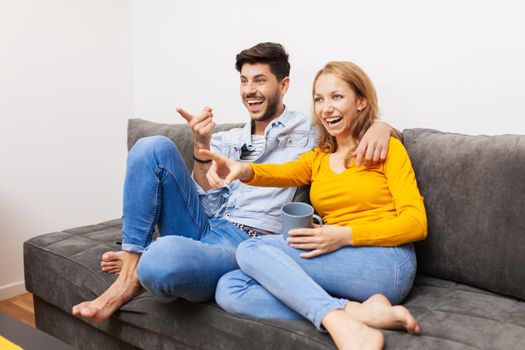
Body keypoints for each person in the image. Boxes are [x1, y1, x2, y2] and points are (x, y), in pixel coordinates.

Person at [71, 43, 397, 324]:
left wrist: (382, 127)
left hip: (249, 241)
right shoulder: (226, 139)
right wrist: (201, 147)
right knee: (150, 147)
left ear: (283, 84)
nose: (249, 90)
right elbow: (207, 203)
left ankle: (147, 263)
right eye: (244, 81)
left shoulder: (309, 129)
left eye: (259, 80)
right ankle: (132, 270)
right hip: (207, 226)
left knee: (160, 261)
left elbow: (355, 127)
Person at [201, 61, 427, 350]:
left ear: (361, 102)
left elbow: (416, 223)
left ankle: (342, 325)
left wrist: (344, 235)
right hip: (341, 258)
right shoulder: (319, 157)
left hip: (388, 261)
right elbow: (280, 173)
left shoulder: (387, 149)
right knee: (230, 287)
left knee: (251, 248)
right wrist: (240, 168)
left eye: (337, 97)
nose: (326, 108)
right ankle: (356, 312)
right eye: (319, 99)